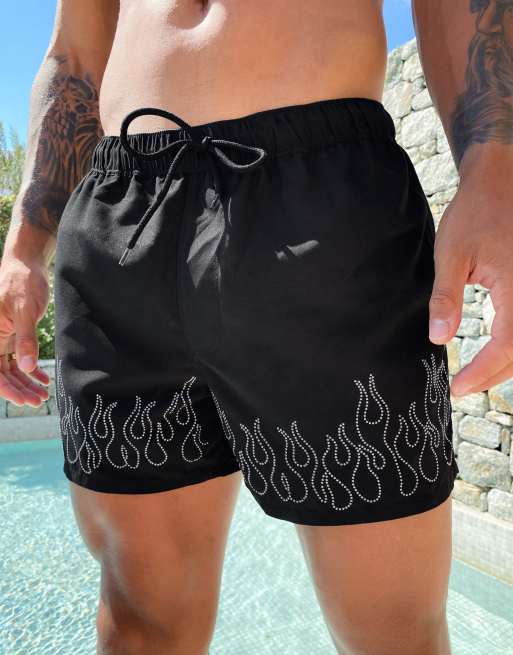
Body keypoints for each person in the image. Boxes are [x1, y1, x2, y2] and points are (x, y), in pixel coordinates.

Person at [0, 1, 511, 653]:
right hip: (118, 218)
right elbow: (73, 56)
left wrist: (493, 171)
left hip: (323, 206)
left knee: (391, 633)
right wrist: (23, 249)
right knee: (139, 615)